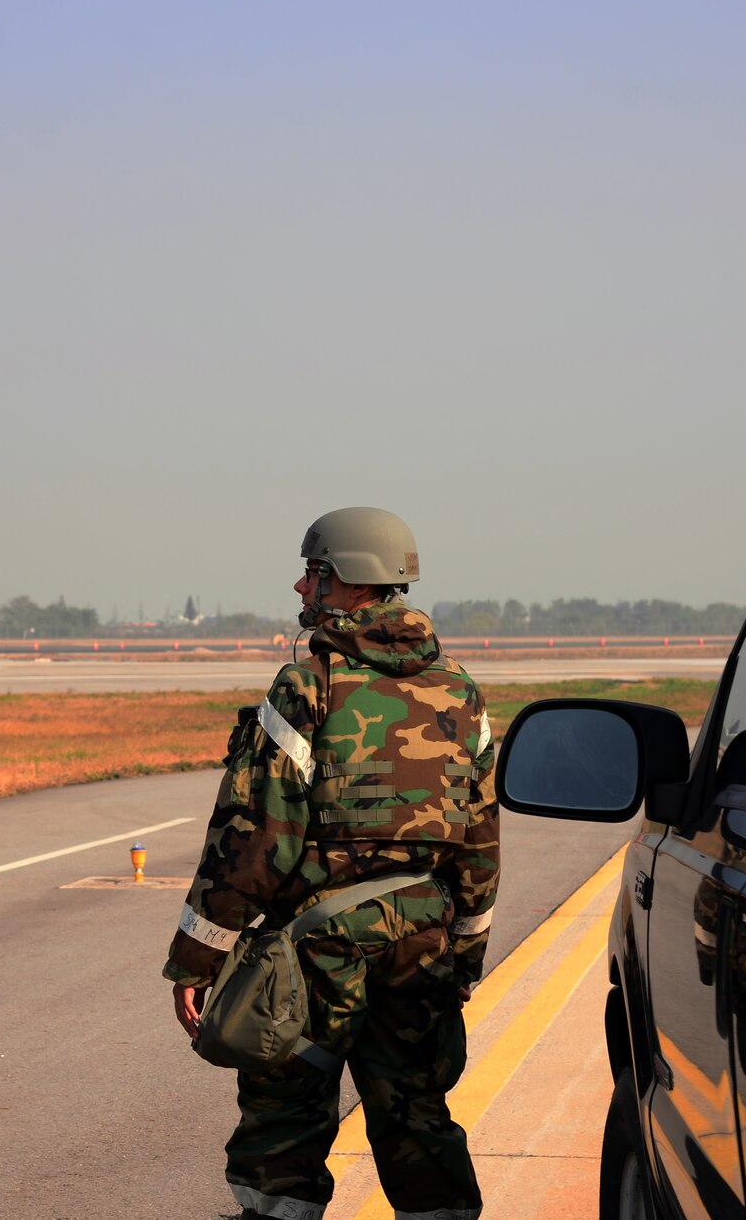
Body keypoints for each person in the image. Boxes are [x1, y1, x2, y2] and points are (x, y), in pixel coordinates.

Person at [164, 507, 499, 1220]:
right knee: (417, 1123)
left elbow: (253, 840)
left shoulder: (307, 685)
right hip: (422, 946)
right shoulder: (461, 693)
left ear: (348, 582)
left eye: (312, 572)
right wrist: (464, 956)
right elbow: (478, 843)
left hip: (317, 956)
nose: (300, 585)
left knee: (281, 1134)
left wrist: (196, 958)